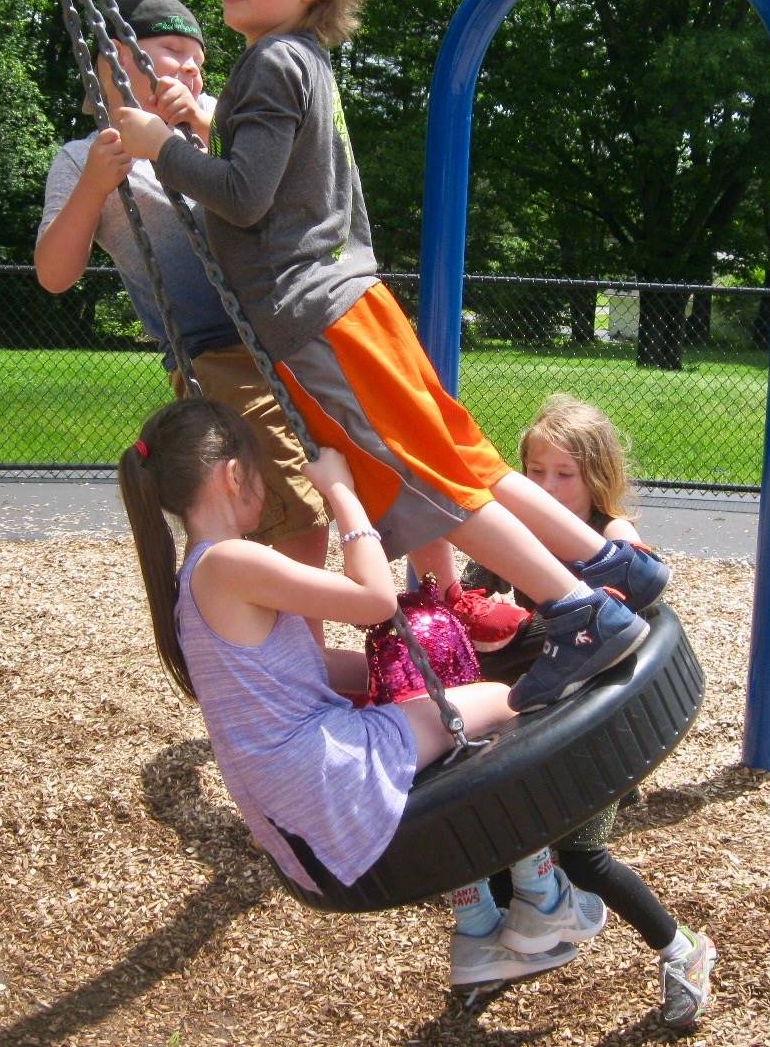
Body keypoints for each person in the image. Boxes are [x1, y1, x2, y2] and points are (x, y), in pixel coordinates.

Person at [113, 0, 669, 714]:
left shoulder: (268, 64)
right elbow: (277, 176)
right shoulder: (304, 61)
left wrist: (161, 147)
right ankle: (608, 568)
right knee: (459, 459)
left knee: (426, 486)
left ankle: (577, 612)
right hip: (356, 304)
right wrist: (199, 126)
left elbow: (244, 195)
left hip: (315, 317)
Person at [34, 0, 524, 654]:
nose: (191, 74)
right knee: (292, 498)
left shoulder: (215, 124)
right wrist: (97, 183)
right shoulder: (84, 157)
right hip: (216, 351)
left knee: (386, 447)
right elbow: (54, 274)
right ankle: (309, 658)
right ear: (116, 62)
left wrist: (206, 129)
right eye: (173, 56)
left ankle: (440, 598)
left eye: (200, 63)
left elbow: (269, 191)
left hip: (299, 322)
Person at [120, 397, 608, 989]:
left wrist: (399, 675)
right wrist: (342, 494)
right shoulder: (231, 561)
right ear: (231, 475)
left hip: (291, 794)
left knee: (456, 710)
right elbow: (375, 600)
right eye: (264, 476)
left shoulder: (194, 579)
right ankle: (542, 896)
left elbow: (307, 665)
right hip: (321, 775)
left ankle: (479, 935)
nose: (271, 492)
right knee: (504, 702)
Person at [465, 394, 719, 1030]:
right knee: (494, 841)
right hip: (528, 716)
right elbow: (472, 606)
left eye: (564, 474)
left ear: (596, 478)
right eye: (535, 471)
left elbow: (636, 594)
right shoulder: (506, 539)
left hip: (592, 727)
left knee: (579, 854)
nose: (547, 487)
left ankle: (683, 949)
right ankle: (504, 951)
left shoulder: (609, 540)